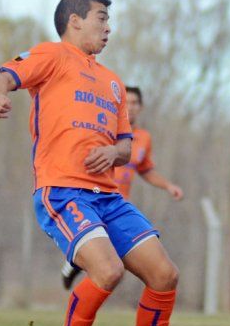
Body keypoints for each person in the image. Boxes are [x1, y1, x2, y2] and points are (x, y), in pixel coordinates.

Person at [0, 0, 179, 326]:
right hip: (62, 190)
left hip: (108, 197)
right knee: (108, 271)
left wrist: (114, 152)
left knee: (165, 275)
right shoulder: (52, 55)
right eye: (101, 18)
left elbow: (126, 146)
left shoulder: (113, 83)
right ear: (75, 21)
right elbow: (4, 77)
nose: (109, 27)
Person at [60, 85, 184, 290]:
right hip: (95, 199)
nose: (131, 108)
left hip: (119, 204)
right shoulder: (104, 129)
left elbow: (145, 170)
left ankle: (76, 264)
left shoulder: (143, 138)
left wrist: (169, 186)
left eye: (135, 103)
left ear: (141, 107)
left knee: (117, 262)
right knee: (108, 261)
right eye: (127, 103)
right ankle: (76, 261)